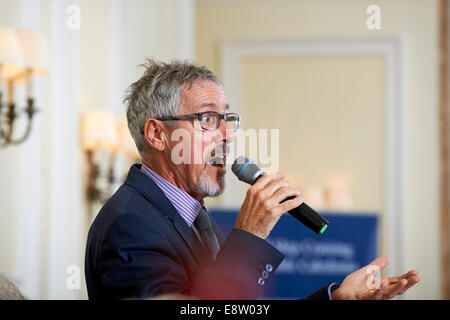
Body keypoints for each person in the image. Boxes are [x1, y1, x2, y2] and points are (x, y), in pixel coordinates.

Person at [84, 59, 420, 300]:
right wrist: (248, 237)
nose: (227, 135)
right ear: (157, 134)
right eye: (208, 118)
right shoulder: (129, 226)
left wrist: (336, 299)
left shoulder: (198, 222)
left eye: (227, 118)